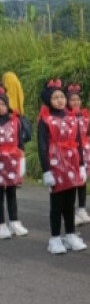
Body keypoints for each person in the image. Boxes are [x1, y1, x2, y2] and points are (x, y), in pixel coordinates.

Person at [38, 79, 88, 254]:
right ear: (48, 101)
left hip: (72, 163)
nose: (60, 100)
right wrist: (46, 171)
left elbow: (79, 142)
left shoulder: (72, 117)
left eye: (61, 96)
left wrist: (82, 165)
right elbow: (42, 146)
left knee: (70, 201)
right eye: (55, 97)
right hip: (56, 164)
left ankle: (70, 234)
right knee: (57, 203)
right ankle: (55, 238)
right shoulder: (45, 120)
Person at [66, 83, 90, 226]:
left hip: (84, 148)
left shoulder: (84, 115)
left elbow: (87, 133)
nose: (76, 102)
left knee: (83, 181)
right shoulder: (65, 116)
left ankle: (82, 209)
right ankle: (70, 211)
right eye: (72, 100)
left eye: (78, 100)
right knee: (72, 181)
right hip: (71, 150)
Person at [0, 85, 27, 238]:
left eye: (3, 104)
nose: (0, 107)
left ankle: (14, 221)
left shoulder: (14, 121)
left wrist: (22, 161)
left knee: (12, 193)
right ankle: (1, 224)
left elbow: (20, 143)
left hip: (11, 163)